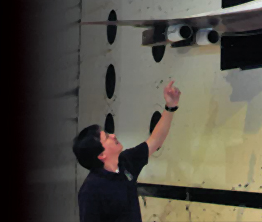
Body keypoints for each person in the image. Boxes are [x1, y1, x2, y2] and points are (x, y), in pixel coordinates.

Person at [72, 80, 181, 222]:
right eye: (106, 137)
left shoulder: (126, 162)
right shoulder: (90, 191)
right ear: (102, 155)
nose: (113, 135)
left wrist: (170, 107)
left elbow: (155, 141)